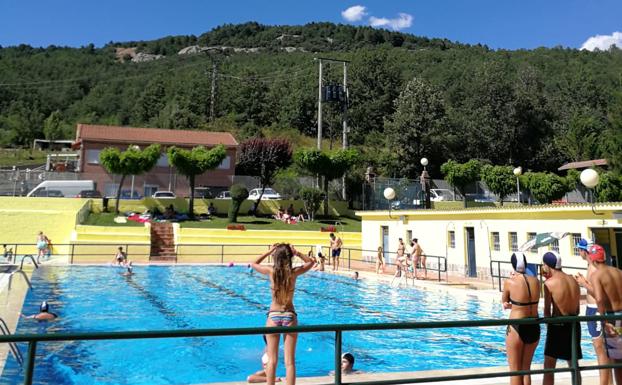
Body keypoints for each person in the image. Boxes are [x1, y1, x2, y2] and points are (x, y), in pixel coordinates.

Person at [251, 243, 314, 385]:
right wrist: (297, 252)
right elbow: (311, 262)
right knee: (289, 362)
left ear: (275, 257)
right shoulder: (293, 273)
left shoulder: (270, 271)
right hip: (290, 315)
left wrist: (270, 251)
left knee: (272, 361)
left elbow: (253, 263)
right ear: (289, 257)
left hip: (273, 316)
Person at [541, 251, 582, 385]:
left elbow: (547, 312)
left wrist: (550, 326)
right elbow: (577, 310)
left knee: (549, 367)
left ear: (547, 265)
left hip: (558, 326)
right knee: (574, 366)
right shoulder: (573, 280)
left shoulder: (549, 284)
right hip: (574, 325)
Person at [575, 238, 612, 385]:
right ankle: (607, 382)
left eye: (579, 249)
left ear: (586, 251)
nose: (579, 252)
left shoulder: (594, 269)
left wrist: (583, 283)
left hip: (596, 310)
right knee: (601, 349)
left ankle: (605, 383)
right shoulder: (591, 267)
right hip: (593, 310)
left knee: (600, 349)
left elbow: (598, 294)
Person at [502, 252, 540, 385]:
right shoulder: (536, 281)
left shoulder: (509, 282)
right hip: (534, 325)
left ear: (513, 265)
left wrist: (508, 304)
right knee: (526, 369)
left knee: (515, 371)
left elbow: (505, 302)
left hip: (516, 326)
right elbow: (526, 302)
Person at [586, 244, 622, 384]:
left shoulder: (596, 276)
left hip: (612, 318)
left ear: (592, 259)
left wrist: (604, 320)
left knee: (617, 361)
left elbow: (599, 298)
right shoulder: (619, 272)